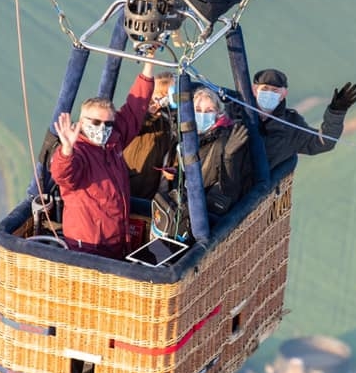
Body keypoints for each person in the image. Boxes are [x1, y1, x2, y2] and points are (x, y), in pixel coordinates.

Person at [50, 59, 155, 259]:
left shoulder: (113, 142)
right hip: (88, 246)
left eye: (108, 123)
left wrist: (149, 65)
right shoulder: (79, 151)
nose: (102, 128)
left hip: (116, 240)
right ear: (81, 122)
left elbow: (134, 109)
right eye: (96, 122)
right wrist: (66, 150)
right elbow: (63, 175)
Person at [164, 88, 251, 218]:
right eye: (198, 110)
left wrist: (229, 156)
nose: (203, 114)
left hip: (207, 214)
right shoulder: (185, 136)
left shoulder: (227, 141)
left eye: (209, 110)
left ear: (218, 113)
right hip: (181, 207)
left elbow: (229, 190)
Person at [251, 68, 356, 170]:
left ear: (283, 94)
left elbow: (324, 142)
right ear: (255, 90)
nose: (269, 94)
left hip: (259, 187)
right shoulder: (238, 112)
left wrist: (336, 112)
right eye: (265, 89)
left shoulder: (291, 126)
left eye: (275, 90)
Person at [124, 71, 176, 200]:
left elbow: (177, 148)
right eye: (159, 95)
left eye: (167, 96)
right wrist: (150, 114)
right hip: (135, 177)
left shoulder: (174, 120)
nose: (162, 100)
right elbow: (136, 126)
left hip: (158, 184)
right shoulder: (139, 112)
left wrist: (175, 167)